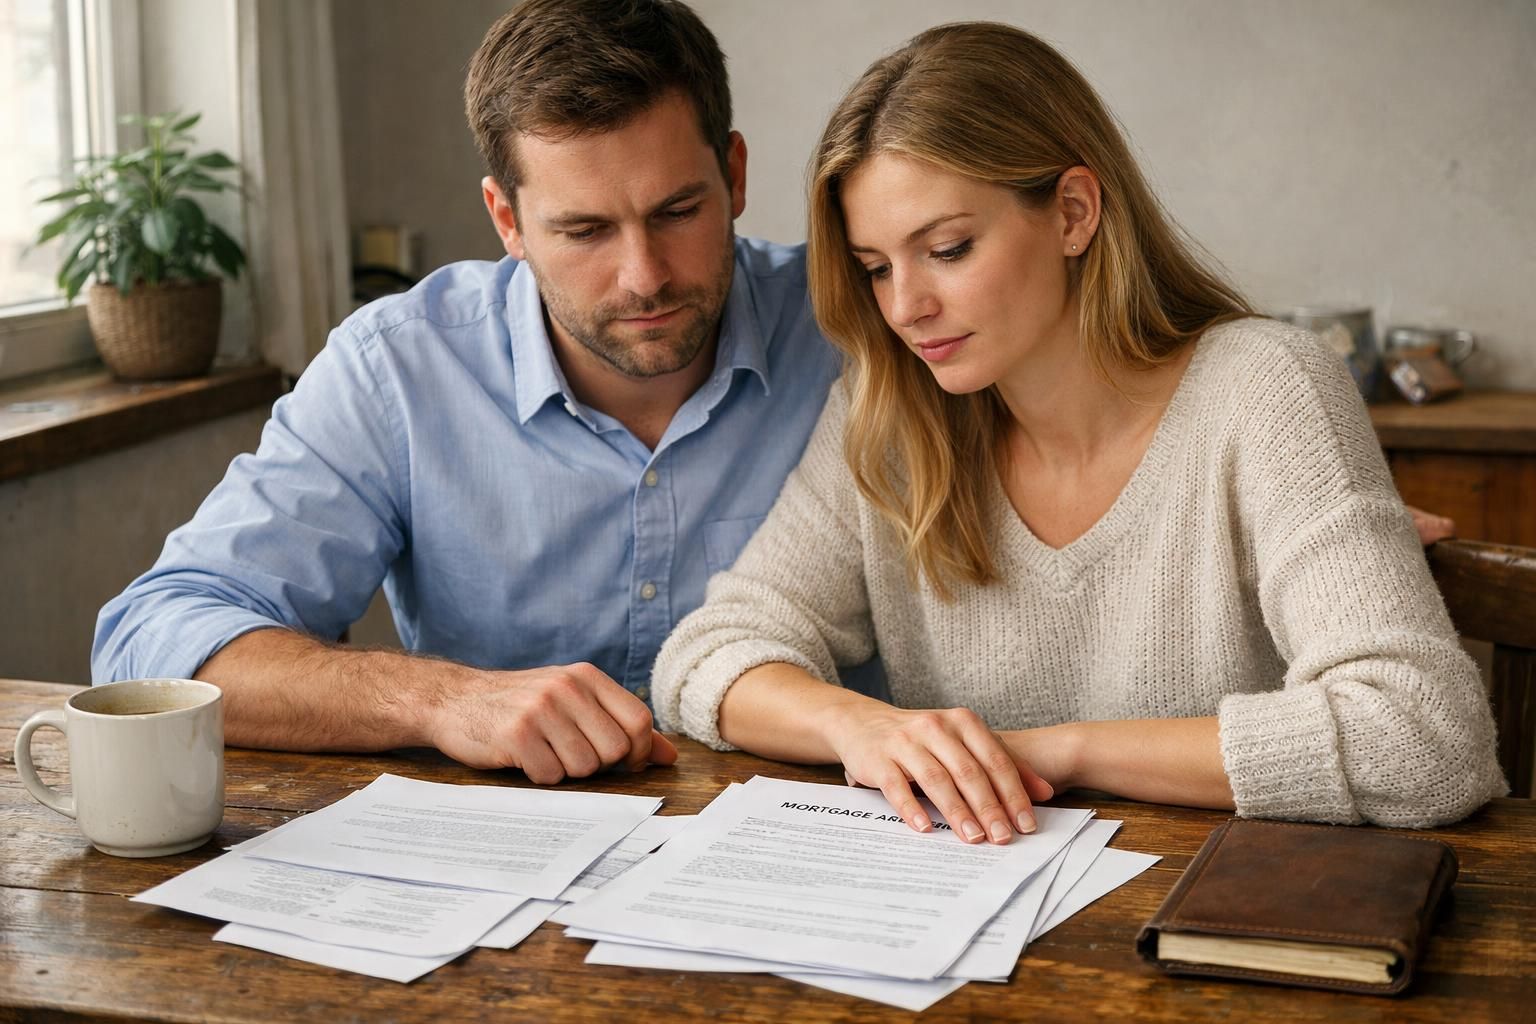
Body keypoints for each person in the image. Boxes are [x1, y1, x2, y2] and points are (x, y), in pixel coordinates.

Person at [652, 21, 1505, 839]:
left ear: (1072, 213)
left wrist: (1065, 749)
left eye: (947, 249)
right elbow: (704, 659)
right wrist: (864, 730)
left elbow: (1424, 739)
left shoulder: (1266, 390)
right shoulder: (891, 414)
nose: (906, 307)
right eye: (876, 268)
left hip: (1228, 934)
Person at [90, 0, 843, 783]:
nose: (643, 276)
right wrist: (440, 700)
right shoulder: (399, 370)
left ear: (735, 174)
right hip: (504, 867)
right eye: (584, 231)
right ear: (506, 220)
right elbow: (157, 640)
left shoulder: (859, 330)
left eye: (678, 211)